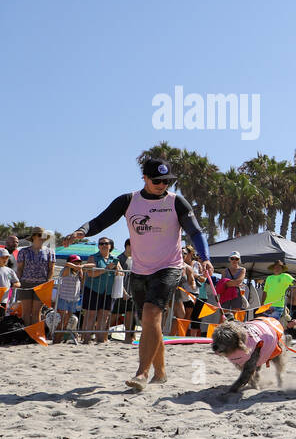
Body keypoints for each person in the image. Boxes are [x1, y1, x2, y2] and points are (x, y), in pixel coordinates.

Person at [62, 157, 213, 389]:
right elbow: (102, 220)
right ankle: (161, 372)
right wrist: (81, 231)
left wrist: (205, 258)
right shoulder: (128, 201)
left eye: (166, 181)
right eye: (157, 180)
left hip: (169, 267)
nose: (162, 185)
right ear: (144, 178)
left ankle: (142, 373)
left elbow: (196, 231)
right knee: (150, 322)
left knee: (152, 314)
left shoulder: (177, 202)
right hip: (140, 270)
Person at [14, 228, 55, 328]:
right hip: (25, 283)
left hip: (42, 284)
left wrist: (47, 283)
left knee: (37, 312)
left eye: (44, 236)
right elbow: (19, 269)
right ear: (34, 237)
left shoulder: (50, 252)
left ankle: (35, 335)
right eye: (40, 235)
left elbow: (51, 269)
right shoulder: (23, 251)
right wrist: (17, 282)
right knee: (26, 312)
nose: (42, 238)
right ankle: (26, 335)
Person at [81, 238, 117, 343]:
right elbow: (90, 274)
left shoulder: (114, 259)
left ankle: (100, 340)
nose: (103, 245)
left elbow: (121, 273)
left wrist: (117, 270)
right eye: (101, 243)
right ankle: (86, 339)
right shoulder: (93, 257)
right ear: (98, 246)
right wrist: (106, 269)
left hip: (108, 291)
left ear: (110, 245)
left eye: (106, 243)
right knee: (90, 315)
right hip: (93, 289)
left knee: (104, 316)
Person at [54, 255, 85, 343]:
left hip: (73, 300)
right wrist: (76, 266)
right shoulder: (66, 270)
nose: (77, 264)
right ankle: (56, 339)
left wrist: (81, 267)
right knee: (63, 320)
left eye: (79, 262)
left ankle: (58, 340)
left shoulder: (79, 272)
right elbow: (67, 264)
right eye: (75, 262)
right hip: (64, 298)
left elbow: (91, 265)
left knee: (66, 321)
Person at [0, 248, 19, 316]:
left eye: (7, 257)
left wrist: (14, 284)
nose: (5, 259)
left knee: (2, 317)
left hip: (4, 300)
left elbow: (16, 282)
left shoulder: (9, 271)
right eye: (3, 257)